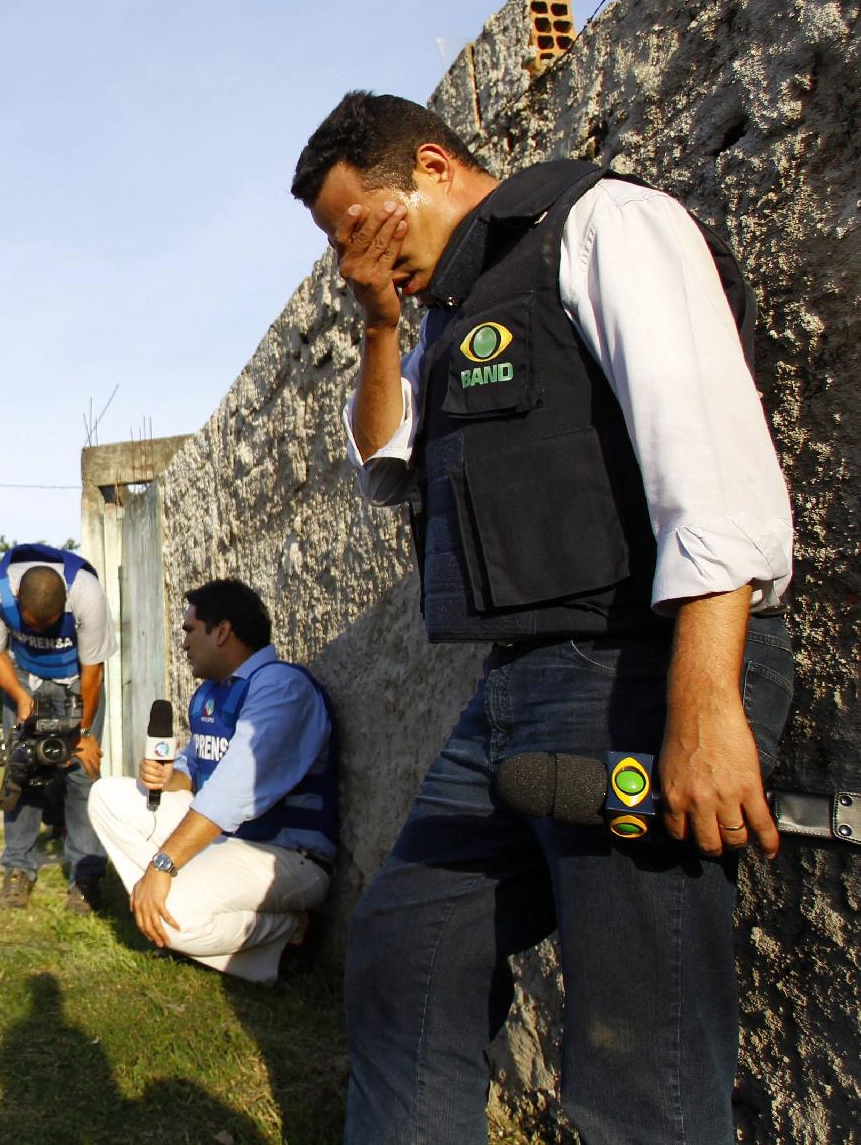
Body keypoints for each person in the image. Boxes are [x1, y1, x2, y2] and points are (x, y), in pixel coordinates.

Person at [291, 91, 794, 1142]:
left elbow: (708, 465)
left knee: (636, 1060)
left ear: (430, 165)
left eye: (354, 230)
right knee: (404, 952)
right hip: (514, 693)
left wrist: (703, 704)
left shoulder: (605, 224)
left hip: (639, 675)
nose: (350, 259)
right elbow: (384, 465)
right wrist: (381, 319)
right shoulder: (442, 319)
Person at [88, 579, 334, 981]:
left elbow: (231, 792)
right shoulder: (209, 695)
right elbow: (194, 770)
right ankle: (162, 911)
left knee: (174, 918)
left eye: (189, 630)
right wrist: (170, 778)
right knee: (106, 795)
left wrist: (162, 866)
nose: (183, 643)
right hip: (228, 841)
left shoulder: (280, 687)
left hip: (285, 854)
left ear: (222, 632)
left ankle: (292, 930)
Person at [0, 542, 115, 913]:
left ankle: (85, 874)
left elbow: (93, 673)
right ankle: (18, 869)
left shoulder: (87, 594)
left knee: (81, 775)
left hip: (76, 680)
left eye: (48, 624)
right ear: (18, 603)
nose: (39, 632)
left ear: (64, 607)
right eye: (31, 624)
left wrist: (82, 735)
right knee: (23, 770)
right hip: (24, 676)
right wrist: (20, 698)